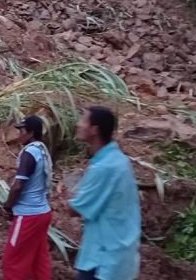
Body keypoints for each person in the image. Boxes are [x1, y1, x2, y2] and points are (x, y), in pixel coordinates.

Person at [70, 106, 141, 280]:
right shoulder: (120, 160)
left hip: (103, 259)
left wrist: (68, 194)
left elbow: (75, 209)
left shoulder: (104, 168)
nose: (79, 125)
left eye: (84, 120)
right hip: (121, 254)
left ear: (95, 130)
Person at [1, 116, 53, 280]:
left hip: (28, 214)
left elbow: (18, 186)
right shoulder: (43, 150)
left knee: (12, 261)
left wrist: (8, 206)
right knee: (40, 260)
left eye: (22, 131)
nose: (19, 135)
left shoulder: (29, 152)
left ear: (31, 133)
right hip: (43, 212)